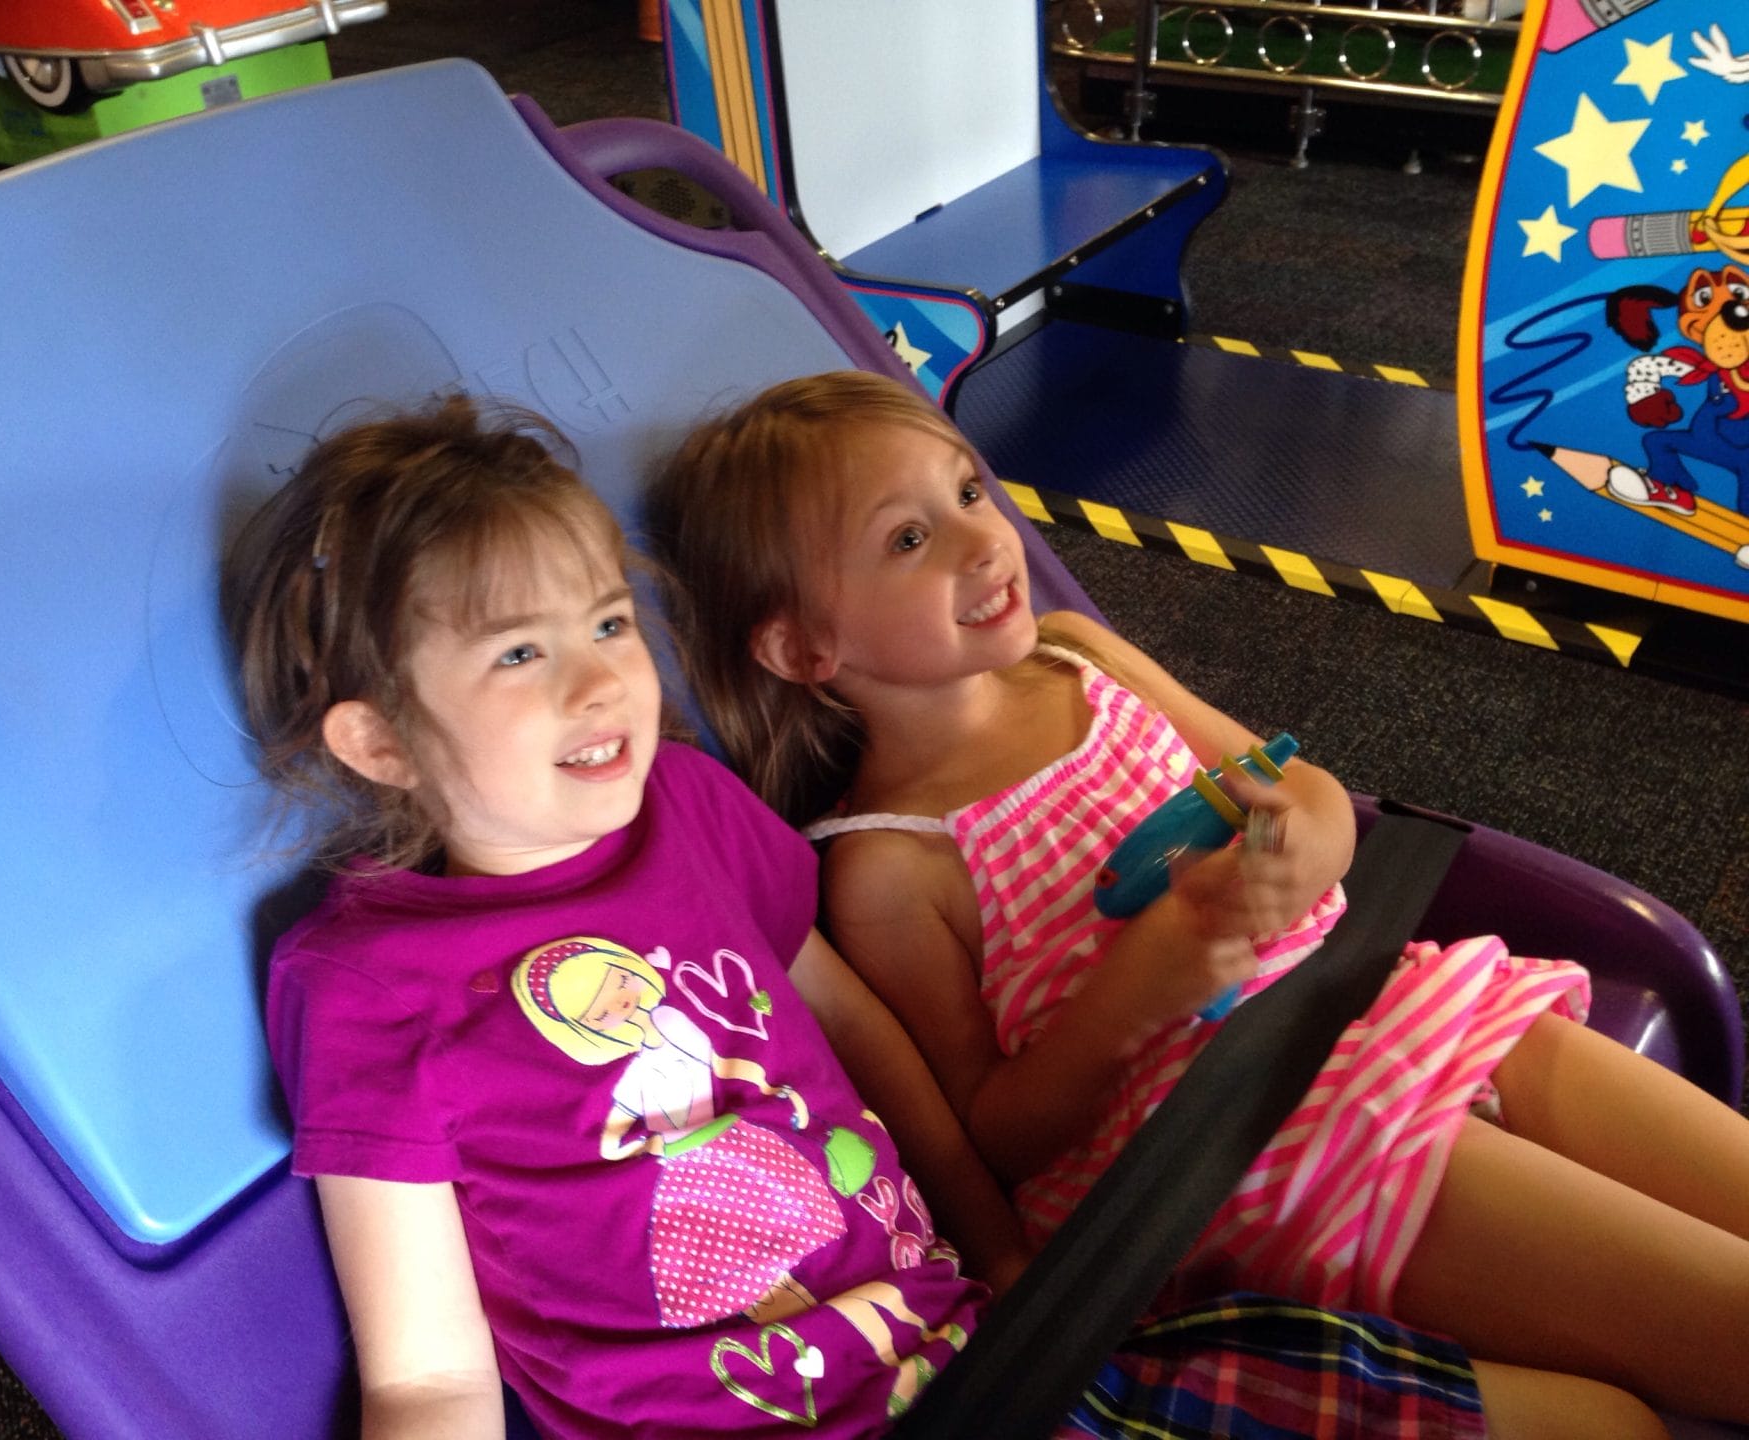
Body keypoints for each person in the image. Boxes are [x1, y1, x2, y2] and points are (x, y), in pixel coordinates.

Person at [227, 390, 1498, 1439]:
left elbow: (855, 1036)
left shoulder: (690, 805)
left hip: (990, 1362)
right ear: (380, 742)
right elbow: (426, 1378)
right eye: (519, 653)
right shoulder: (366, 982)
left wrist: (1002, 1253)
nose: (603, 679)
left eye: (609, 623)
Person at [647, 367, 1749, 1435]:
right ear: (805, 646)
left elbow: (1300, 789)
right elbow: (999, 1140)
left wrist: (1302, 849)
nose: (986, 541)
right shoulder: (888, 867)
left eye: (969, 490)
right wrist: (1146, 984)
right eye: (907, 539)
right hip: (1271, 1140)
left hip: (1391, 1000)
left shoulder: (1076, 655)